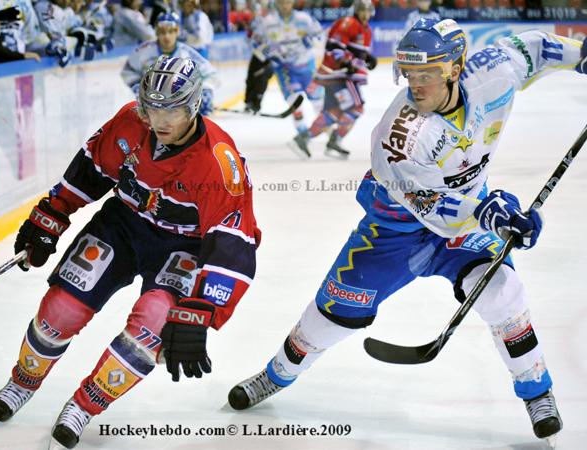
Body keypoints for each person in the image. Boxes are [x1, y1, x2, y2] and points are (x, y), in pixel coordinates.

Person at [228, 19, 587, 446]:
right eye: (409, 73)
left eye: (427, 73)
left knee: (502, 292)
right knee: (332, 316)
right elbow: (434, 208)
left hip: (465, 216)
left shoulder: (494, 70)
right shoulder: (399, 137)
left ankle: (537, 391)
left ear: (455, 69)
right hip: (394, 230)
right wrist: (490, 213)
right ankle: (276, 375)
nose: (416, 85)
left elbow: (538, 48)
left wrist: (580, 55)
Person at [0, 56, 260, 449]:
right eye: (152, 108)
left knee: (152, 325)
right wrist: (51, 216)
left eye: (173, 110)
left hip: (185, 245)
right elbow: (92, 169)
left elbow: (233, 241)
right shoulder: (131, 122)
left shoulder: (218, 161)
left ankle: (84, 406)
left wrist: (203, 308)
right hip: (123, 225)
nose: (160, 120)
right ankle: (22, 383)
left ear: (194, 105)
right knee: (61, 309)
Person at [288, 0, 376, 159]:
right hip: (340, 76)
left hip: (337, 76)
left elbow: (354, 50)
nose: (366, 14)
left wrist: (367, 58)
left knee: (334, 112)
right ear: (356, 11)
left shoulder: (365, 29)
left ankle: (302, 139)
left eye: (368, 11)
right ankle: (334, 141)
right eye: (363, 10)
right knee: (356, 108)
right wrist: (345, 62)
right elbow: (334, 46)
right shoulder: (348, 23)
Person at [121, 12, 218, 115]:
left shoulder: (187, 53)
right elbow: (128, 71)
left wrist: (205, 91)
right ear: (156, 32)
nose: (167, 36)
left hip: (179, 104)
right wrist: (137, 87)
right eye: (162, 32)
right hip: (151, 103)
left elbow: (210, 74)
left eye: (171, 31)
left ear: (177, 32)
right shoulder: (144, 51)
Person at [251, 0, 322, 137]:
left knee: (318, 101)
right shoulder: (268, 22)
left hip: (307, 67)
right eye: (282, 2)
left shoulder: (304, 19)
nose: (285, 6)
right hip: (285, 70)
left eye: (288, 2)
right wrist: (269, 53)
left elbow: (319, 34)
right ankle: (302, 133)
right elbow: (256, 41)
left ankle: (324, 128)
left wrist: (310, 41)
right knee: (294, 101)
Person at [243, 0, 273, 114]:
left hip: (267, 56)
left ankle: (256, 104)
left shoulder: (273, 21)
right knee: (251, 77)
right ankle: (249, 102)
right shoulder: (256, 21)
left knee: (262, 80)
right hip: (257, 55)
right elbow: (249, 37)